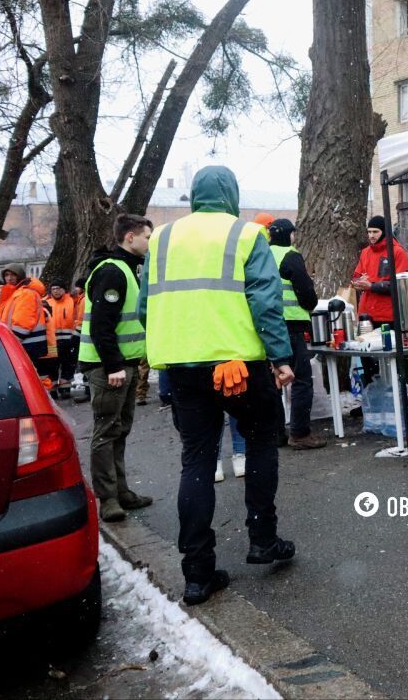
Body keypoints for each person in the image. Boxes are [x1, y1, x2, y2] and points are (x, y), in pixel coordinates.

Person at [140, 166, 296, 606]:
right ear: (230, 195)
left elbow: (145, 308)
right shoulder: (245, 235)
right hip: (239, 365)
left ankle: (197, 574)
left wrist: (171, 353)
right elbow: (265, 300)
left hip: (183, 367)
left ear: (193, 196)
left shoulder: (161, 239)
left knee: (196, 462)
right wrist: (280, 357)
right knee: (262, 440)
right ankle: (263, 539)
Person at [77, 214, 156, 522]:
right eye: (146, 237)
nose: (150, 242)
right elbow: (101, 325)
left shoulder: (126, 269)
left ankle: (121, 491)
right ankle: (108, 498)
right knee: (107, 431)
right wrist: (112, 365)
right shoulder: (112, 271)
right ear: (130, 237)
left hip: (125, 364)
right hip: (109, 367)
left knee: (119, 431)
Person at [268, 218, 324, 450]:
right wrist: (311, 303)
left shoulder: (263, 254)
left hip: (267, 324)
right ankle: (300, 433)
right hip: (291, 324)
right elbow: (305, 292)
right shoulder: (290, 255)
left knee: (273, 381)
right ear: (289, 235)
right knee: (301, 379)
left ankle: (276, 433)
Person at [351, 215, 408, 387]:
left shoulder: (397, 252)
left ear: (384, 232)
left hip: (387, 316)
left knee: (388, 362)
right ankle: (373, 398)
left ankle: (391, 398)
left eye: (375, 231)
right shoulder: (365, 252)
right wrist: (357, 282)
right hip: (366, 316)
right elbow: (356, 276)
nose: (371, 235)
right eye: (369, 232)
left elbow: (398, 284)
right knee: (367, 361)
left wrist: (371, 286)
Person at [0, 264, 50, 378]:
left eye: (13, 274)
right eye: (6, 275)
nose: (9, 278)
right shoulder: (16, 293)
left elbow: (23, 324)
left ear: (20, 276)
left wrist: (10, 342)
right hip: (27, 343)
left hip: (27, 344)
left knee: (30, 379)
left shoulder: (25, 293)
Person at [45, 281, 80, 397]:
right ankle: (53, 387)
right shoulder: (45, 302)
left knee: (68, 363)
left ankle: (65, 387)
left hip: (69, 340)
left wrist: (75, 336)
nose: (56, 291)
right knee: (51, 364)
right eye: (53, 288)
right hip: (51, 341)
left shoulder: (72, 301)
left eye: (59, 288)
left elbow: (78, 318)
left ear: (64, 290)